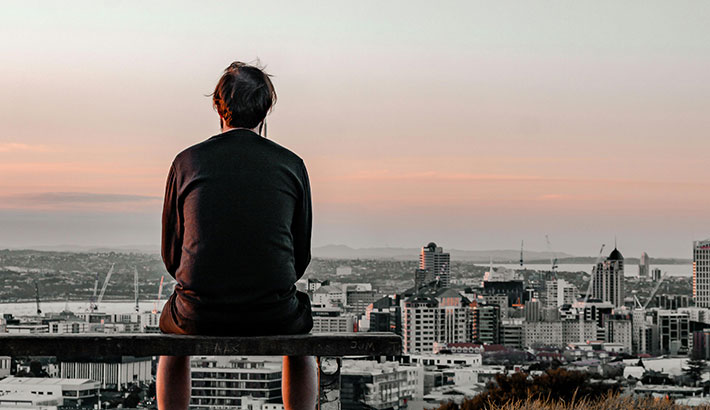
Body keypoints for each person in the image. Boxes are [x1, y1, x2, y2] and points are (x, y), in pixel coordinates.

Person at [156, 61, 317, 410]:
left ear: (217, 105)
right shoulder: (291, 165)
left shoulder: (187, 163)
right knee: (299, 341)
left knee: (171, 339)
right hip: (274, 312)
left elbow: (172, 255)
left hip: (198, 311)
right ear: (266, 110)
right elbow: (299, 255)